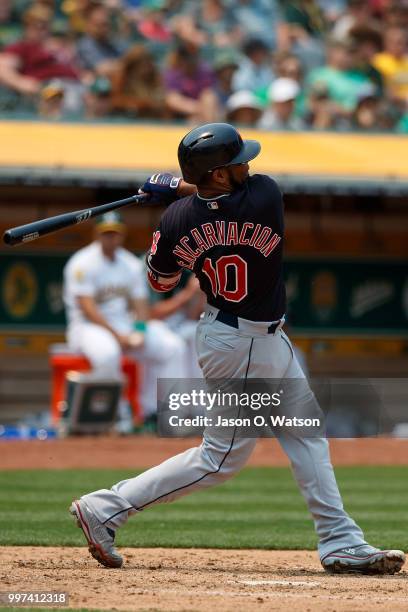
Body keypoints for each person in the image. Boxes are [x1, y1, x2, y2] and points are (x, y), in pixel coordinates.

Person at [69, 123, 405, 576]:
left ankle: (340, 540)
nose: (249, 165)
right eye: (238, 161)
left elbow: (160, 279)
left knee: (305, 435)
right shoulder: (266, 196)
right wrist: (179, 189)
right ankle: (104, 508)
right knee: (220, 458)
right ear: (221, 174)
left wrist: (174, 197)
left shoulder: (176, 219)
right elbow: (218, 203)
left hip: (243, 337)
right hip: (242, 344)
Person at [63, 211, 188, 422]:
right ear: (97, 234)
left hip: (122, 325)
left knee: (171, 347)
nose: (110, 238)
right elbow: (88, 308)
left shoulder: (130, 263)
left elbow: (140, 304)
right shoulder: (82, 263)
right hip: (87, 328)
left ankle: (156, 413)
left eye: (114, 233)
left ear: (122, 235)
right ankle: (115, 415)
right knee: (107, 354)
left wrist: (139, 330)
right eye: (106, 233)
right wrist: (117, 336)